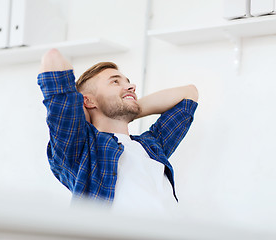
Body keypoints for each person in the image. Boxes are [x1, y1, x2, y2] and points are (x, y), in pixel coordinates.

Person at [37, 49, 198, 211]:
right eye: (115, 82)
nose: (131, 86)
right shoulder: (81, 147)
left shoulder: (152, 145)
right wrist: (94, 111)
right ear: (88, 101)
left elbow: (189, 94)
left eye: (128, 82)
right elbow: (53, 59)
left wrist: (128, 108)